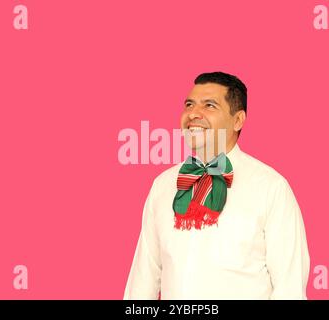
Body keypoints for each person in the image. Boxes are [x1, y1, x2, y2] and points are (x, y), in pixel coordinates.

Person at [124, 71, 310, 299]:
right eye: (189, 104)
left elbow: (289, 285)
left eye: (209, 105)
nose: (193, 113)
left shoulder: (271, 188)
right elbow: (144, 278)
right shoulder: (163, 185)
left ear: (238, 120)